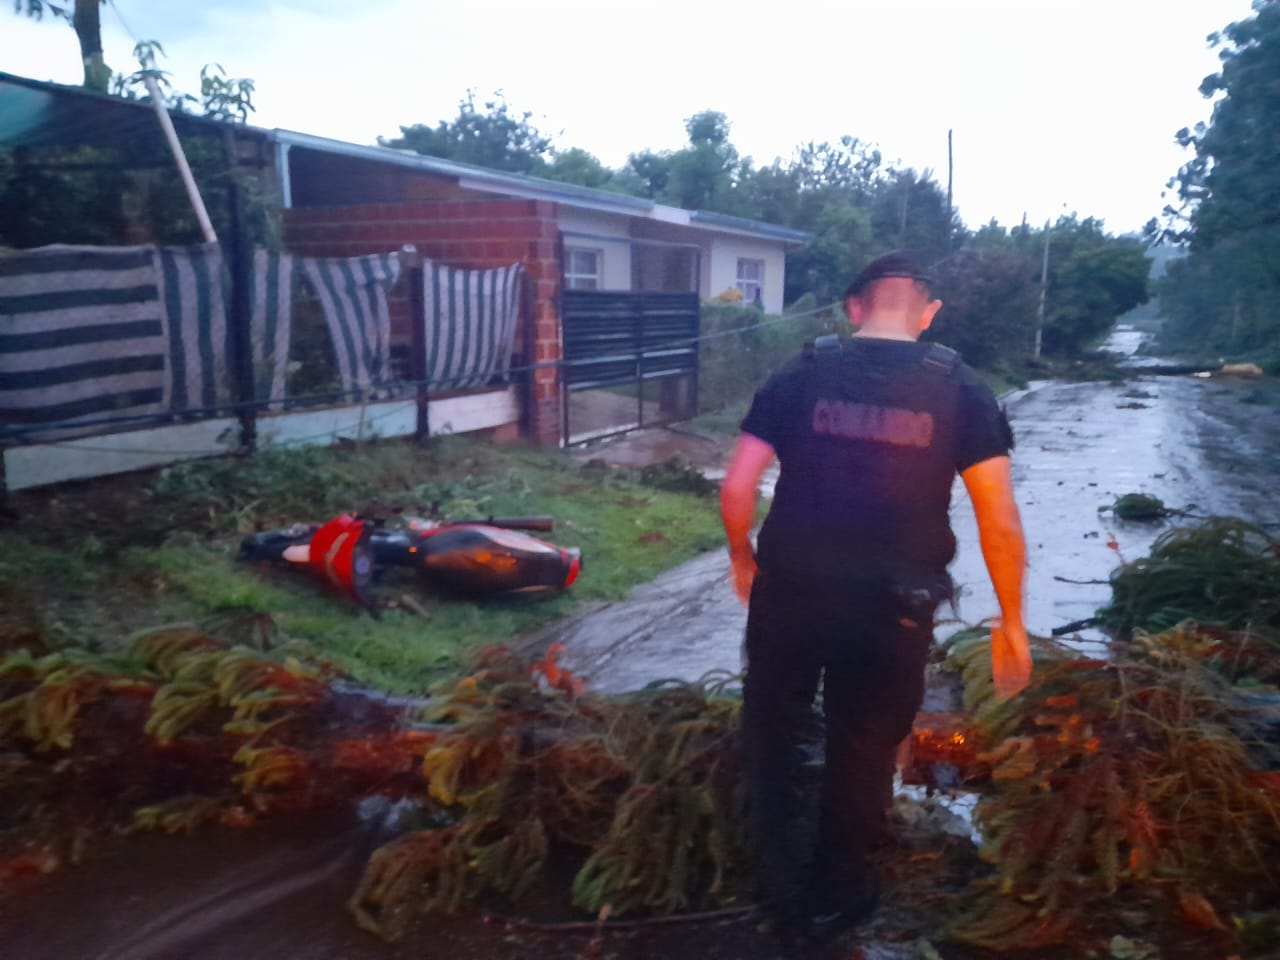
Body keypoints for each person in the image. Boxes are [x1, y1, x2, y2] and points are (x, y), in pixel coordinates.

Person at [719, 251, 1031, 949]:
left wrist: (744, 557)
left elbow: (738, 486)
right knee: (862, 750)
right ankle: (839, 896)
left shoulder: (800, 373)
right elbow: (998, 518)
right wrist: (1012, 622)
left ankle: (777, 894)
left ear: (853, 308)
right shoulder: (963, 389)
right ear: (928, 312)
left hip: (790, 594)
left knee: (776, 738)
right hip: (894, 608)